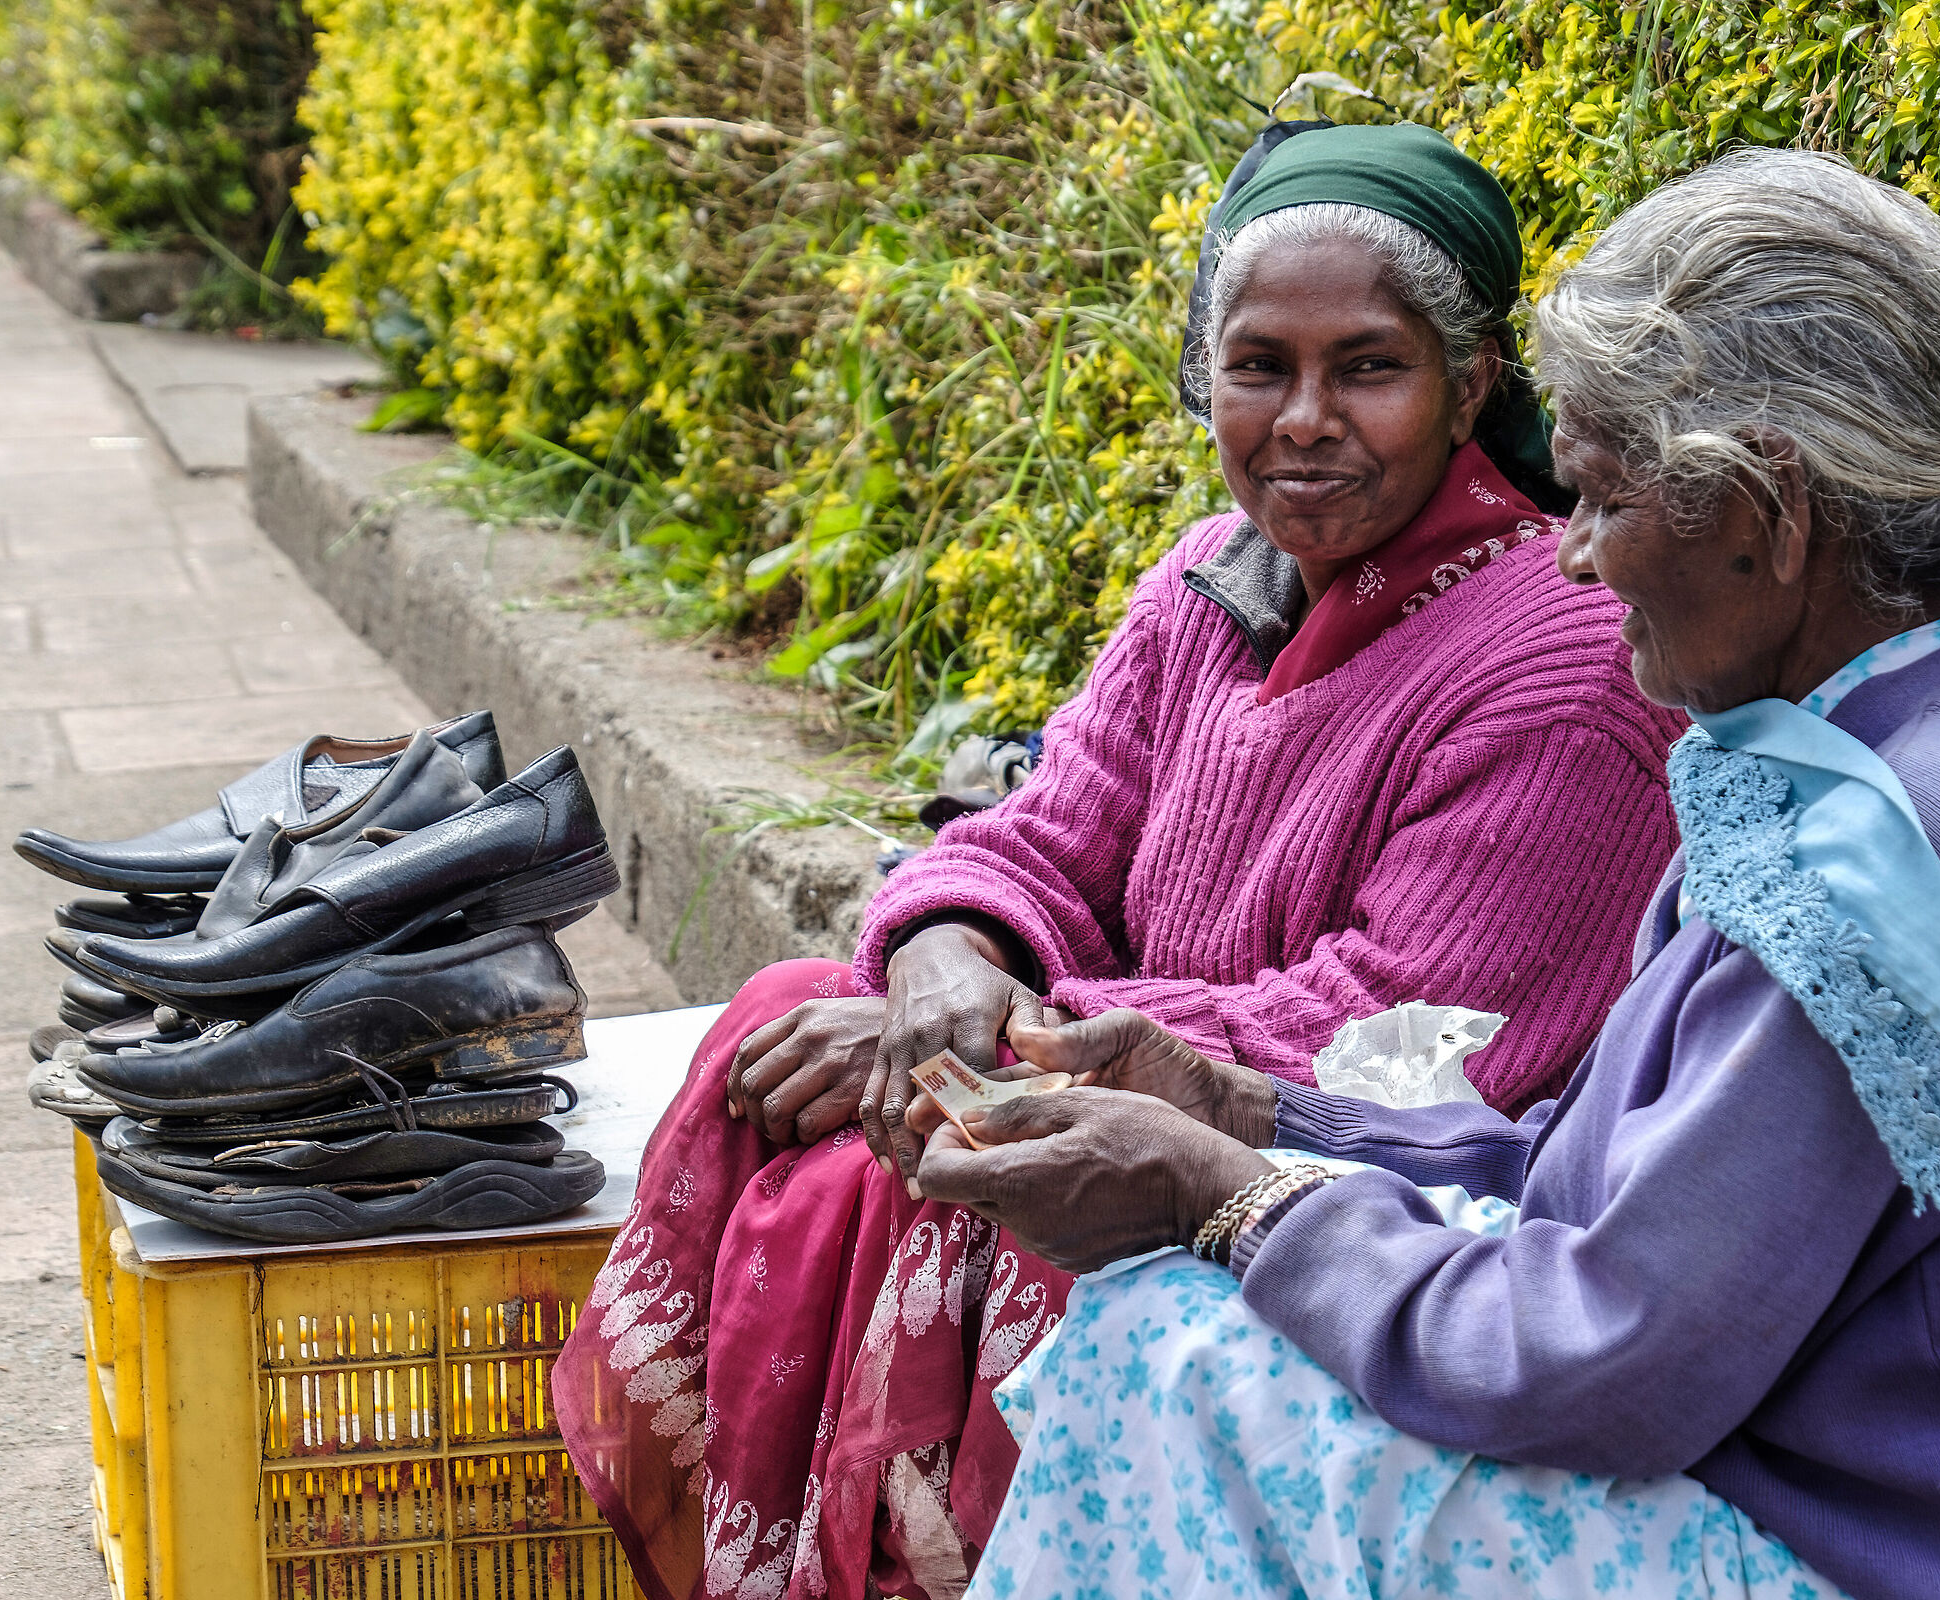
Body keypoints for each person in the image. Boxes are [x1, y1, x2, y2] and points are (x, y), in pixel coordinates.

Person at [912, 148, 1940, 1600]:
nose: (1574, 559)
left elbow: (1602, 1361)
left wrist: (1227, 1197)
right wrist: (1242, 1106)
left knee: (1165, 1343)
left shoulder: (1854, 866)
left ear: (1767, 516)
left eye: (1595, 496)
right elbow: (1613, 1180)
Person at [555, 123, 1688, 1600]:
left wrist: (1010, 1042)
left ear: (1472, 385)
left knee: (912, 1152)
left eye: (1368, 368)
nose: (1302, 420)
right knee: (797, 1008)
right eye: (1258, 365)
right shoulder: (1216, 588)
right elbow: (1042, 840)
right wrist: (947, 960)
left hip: (1331, 1183)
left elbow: (1400, 1030)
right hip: (1123, 1072)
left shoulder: (1566, 658)